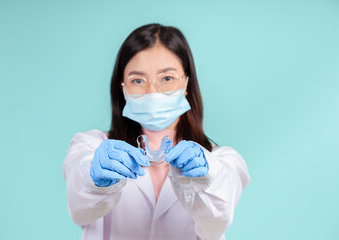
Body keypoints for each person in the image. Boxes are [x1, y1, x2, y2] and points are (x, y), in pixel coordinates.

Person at [63, 23, 251, 240]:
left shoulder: (221, 160)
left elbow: (217, 220)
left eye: (167, 78)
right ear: (122, 87)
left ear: (187, 83)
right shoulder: (91, 146)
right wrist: (95, 177)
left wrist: (206, 175)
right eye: (138, 81)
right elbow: (80, 210)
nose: (152, 91)